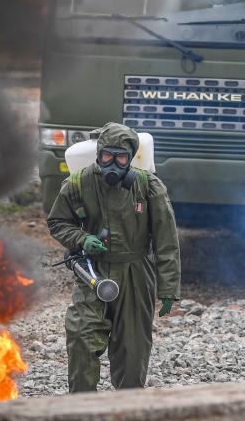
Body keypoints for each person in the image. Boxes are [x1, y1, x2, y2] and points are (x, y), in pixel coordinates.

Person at [47, 122, 181, 392]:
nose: (113, 164)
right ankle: (83, 408)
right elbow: (58, 221)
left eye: (121, 158)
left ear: (131, 159)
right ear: (98, 154)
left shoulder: (149, 187)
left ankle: (125, 411)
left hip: (136, 273)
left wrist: (168, 289)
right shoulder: (78, 183)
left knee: (133, 349)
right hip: (93, 272)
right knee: (82, 335)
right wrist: (82, 239)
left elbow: (167, 241)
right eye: (107, 156)